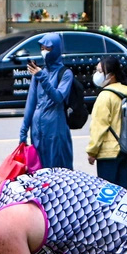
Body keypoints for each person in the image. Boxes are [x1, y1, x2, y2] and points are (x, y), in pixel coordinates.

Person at [20, 30, 76, 170]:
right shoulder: (39, 73)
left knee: (57, 170)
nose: (44, 51)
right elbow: (31, 103)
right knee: (38, 170)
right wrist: (23, 131)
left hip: (55, 129)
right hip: (37, 130)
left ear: (56, 49)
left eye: (48, 48)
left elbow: (58, 97)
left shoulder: (65, 74)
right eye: (42, 48)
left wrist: (42, 77)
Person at [86, 55, 127, 187]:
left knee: (107, 194)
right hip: (125, 148)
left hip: (108, 152)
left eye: (100, 72)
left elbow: (99, 126)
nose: (97, 75)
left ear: (111, 75)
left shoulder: (105, 96)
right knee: (122, 190)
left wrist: (92, 151)